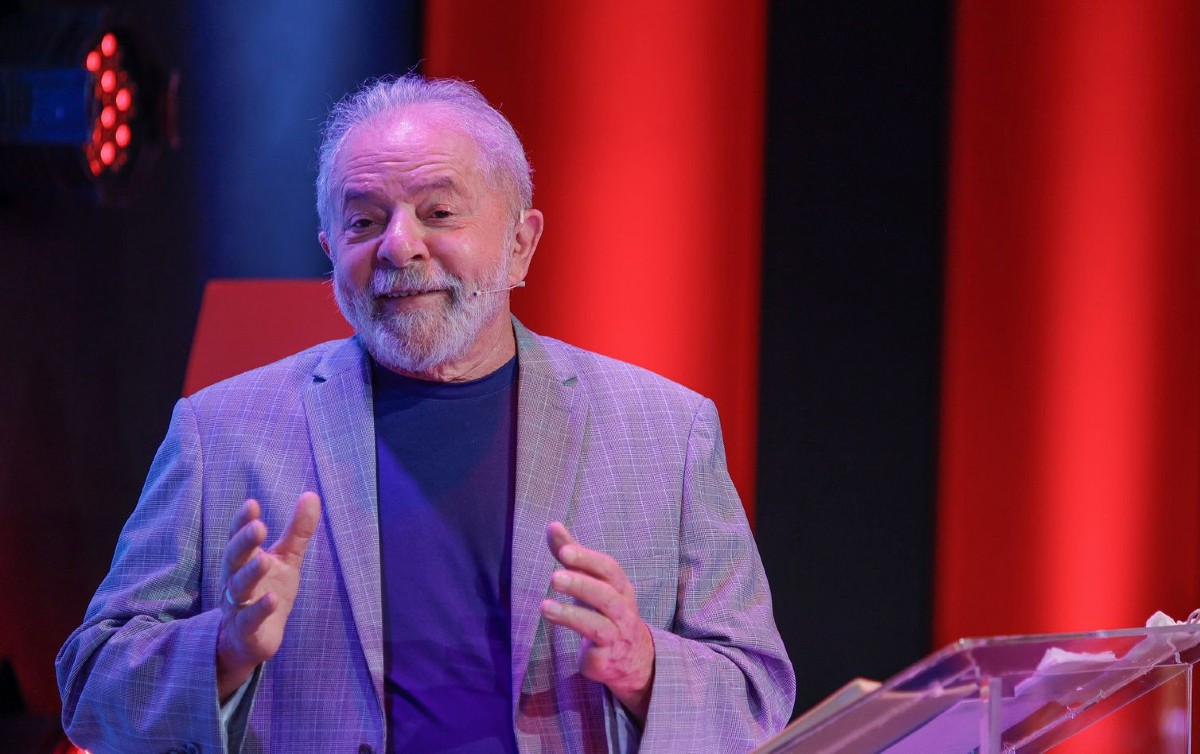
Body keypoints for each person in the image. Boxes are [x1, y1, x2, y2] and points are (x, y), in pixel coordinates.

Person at [56, 74, 795, 753]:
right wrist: (223, 650)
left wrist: (645, 667)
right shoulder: (220, 431)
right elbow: (91, 685)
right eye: (363, 221)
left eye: (439, 212)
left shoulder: (666, 431)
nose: (399, 245)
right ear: (330, 251)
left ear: (520, 244)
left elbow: (758, 690)